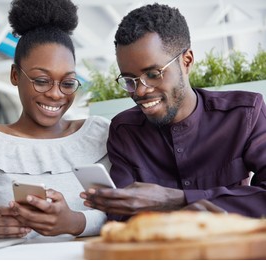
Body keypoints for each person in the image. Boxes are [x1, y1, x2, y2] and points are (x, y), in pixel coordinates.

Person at [81, 3, 266, 220]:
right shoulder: (125, 131)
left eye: (153, 73)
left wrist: (175, 199)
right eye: (129, 80)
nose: (140, 91)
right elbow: (121, 215)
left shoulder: (244, 114)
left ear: (186, 61)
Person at [0, 0, 110, 240]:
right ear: (15, 75)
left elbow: (128, 212)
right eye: (42, 80)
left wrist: (75, 222)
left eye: (67, 83)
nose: (56, 94)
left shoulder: (99, 134)